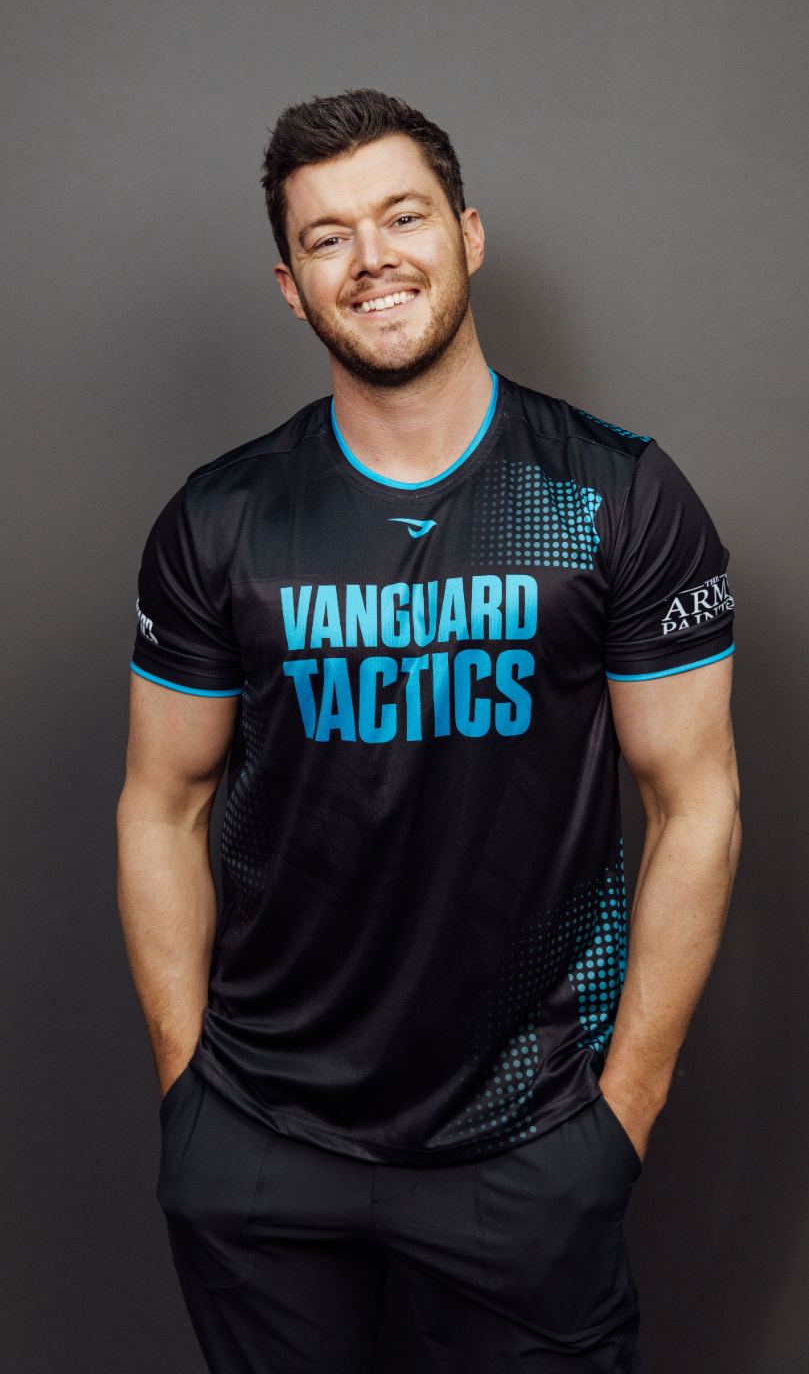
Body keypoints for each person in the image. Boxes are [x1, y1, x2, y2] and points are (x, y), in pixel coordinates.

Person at [117, 89, 740, 1374]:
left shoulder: (610, 495)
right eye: (326, 237)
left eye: (401, 217)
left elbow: (696, 805)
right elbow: (159, 805)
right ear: (291, 288)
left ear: (466, 235)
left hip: (529, 1134)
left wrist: (622, 1112)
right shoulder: (220, 520)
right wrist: (188, 1092)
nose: (371, 257)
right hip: (261, 1139)